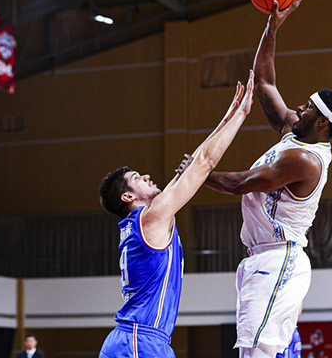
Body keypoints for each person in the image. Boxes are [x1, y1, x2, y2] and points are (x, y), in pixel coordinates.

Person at [203, 0, 332, 357]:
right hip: (261, 256)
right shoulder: (294, 131)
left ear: (322, 122)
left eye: (308, 107)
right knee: (254, 350)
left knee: (257, 351)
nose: (299, 107)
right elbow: (265, 81)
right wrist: (271, 28)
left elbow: (242, 183)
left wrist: (196, 171)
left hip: (279, 258)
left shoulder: (305, 160)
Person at [98, 71, 254, 358]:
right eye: (137, 178)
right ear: (128, 197)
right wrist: (242, 114)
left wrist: (227, 116)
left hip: (139, 339)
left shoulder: (146, 219)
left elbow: (193, 163)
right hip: (140, 340)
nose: (146, 176)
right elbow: (204, 162)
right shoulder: (151, 218)